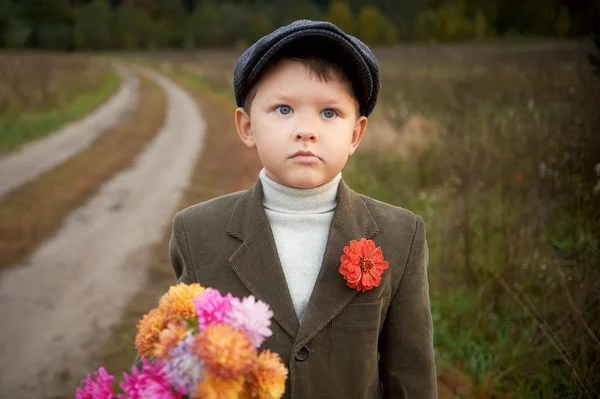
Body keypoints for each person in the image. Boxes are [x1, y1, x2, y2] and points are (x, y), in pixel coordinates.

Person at [170, 20, 437, 398]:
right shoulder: (198, 232)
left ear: (356, 135)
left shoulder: (400, 235)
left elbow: (411, 377)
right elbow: (170, 365)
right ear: (247, 127)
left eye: (329, 113)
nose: (306, 130)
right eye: (283, 109)